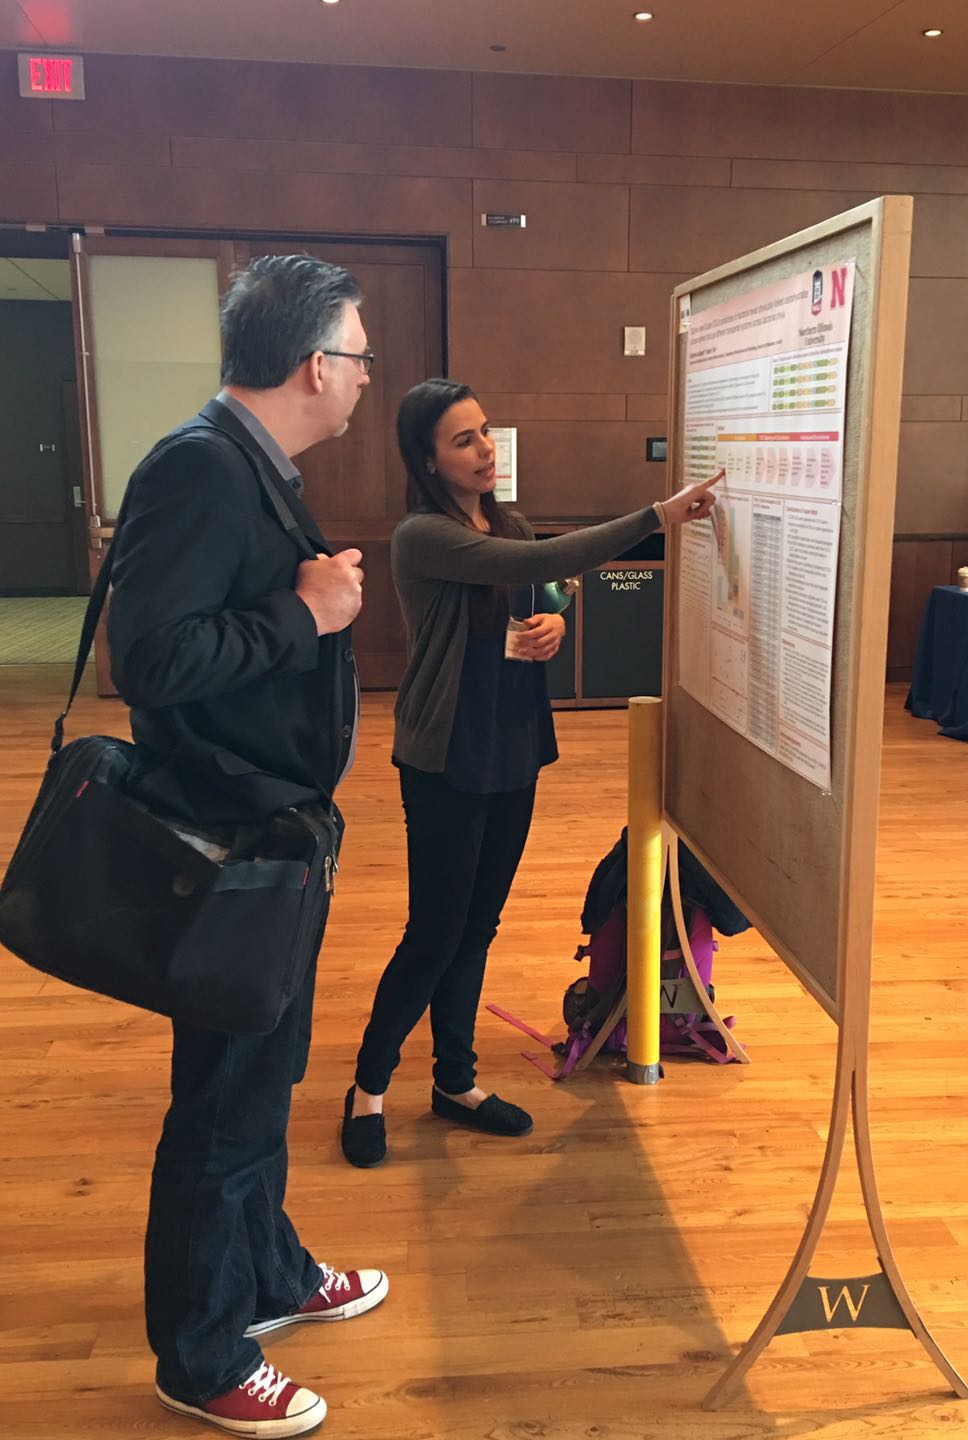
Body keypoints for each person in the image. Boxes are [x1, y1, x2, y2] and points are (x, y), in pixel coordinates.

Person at [107, 255, 388, 1438]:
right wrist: (304, 613)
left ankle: (266, 1273)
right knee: (226, 1099)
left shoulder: (247, 464)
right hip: (230, 840)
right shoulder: (202, 467)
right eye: (360, 356)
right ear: (315, 365)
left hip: (271, 831)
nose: (367, 377)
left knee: (263, 1079)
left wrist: (299, 608)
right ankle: (204, 1351)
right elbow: (150, 660)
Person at [341, 378, 717, 1168]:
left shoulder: (502, 521)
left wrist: (555, 619)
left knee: (478, 926)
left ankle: (455, 1082)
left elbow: (543, 585)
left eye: (484, 432)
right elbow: (542, 557)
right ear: (428, 460)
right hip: (446, 754)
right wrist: (659, 515)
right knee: (435, 932)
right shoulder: (422, 535)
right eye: (463, 440)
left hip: (510, 743)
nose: (485, 450)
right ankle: (368, 1086)